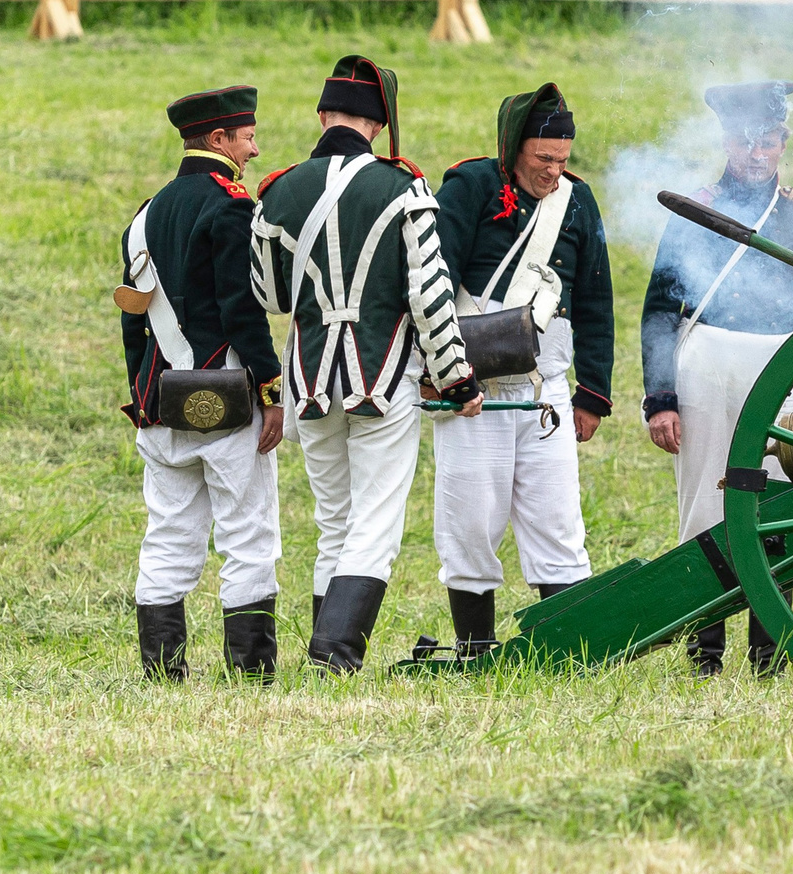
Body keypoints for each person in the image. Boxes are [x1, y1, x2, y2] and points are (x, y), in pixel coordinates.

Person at [251, 56, 480, 671]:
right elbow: (431, 299)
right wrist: (457, 378)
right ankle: (336, 650)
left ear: (323, 115)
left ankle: (328, 654)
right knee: (375, 521)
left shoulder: (277, 190)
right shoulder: (403, 188)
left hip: (308, 380)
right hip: (382, 378)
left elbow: (270, 294)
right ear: (377, 126)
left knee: (335, 520)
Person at [641, 80, 793, 676]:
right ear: (726, 141)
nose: (757, 154)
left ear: (783, 142)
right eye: (746, 142)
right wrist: (662, 399)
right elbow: (659, 310)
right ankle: (706, 650)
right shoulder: (696, 209)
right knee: (704, 503)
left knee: (777, 502)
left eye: (768, 141)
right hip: (708, 361)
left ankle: (768, 645)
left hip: (779, 363)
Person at [431, 82, 615, 657]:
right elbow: (433, 282)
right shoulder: (470, 186)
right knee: (470, 521)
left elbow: (594, 300)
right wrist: (438, 368)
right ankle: (475, 648)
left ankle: (568, 648)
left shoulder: (577, 201)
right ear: (513, 147)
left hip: (544, 390)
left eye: (562, 160)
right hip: (471, 385)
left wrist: (592, 393)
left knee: (557, 519)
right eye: (543, 159)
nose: (554, 173)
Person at [119, 84, 285, 681]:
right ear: (218, 140)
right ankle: (252, 674)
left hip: (162, 403)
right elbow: (243, 310)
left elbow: (133, 320)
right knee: (248, 533)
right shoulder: (230, 205)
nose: (255, 150)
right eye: (247, 138)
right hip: (226, 399)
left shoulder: (144, 216)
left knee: (167, 536)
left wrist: (146, 397)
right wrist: (270, 392)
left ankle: (164, 674)